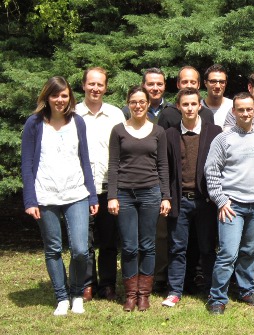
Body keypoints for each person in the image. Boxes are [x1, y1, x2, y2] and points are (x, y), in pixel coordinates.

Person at [21, 76, 99, 315]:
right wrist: (30, 199)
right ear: (47, 97)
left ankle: (77, 293)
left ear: (70, 98)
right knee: (53, 249)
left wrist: (92, 196)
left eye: (64, 95)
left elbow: (85, 160)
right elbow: (27, 164)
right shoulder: (34, 124)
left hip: (76, 193)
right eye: (55, 95)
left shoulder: (78, 122)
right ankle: (62, 297)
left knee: (80, 249)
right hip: (45, 195)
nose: (60, 100)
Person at [204, 92, 254, 315]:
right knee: (228, 254)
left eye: (248, 109)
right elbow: (211, 171)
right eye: (240, 109)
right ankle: (217, 298)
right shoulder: (223, 139)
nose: (245, 113)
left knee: (249, 251)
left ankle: (246, 290)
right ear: (234, 112)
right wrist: (221, 200)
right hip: (232, 205)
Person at [107, 85, 171, 312]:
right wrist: (112, 195)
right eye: (133, 102)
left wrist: (166, 196)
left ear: (147, 104)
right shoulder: (118, 130)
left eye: (142, 101)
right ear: (128, 103)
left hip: (150, 193)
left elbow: (163, 165)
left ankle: (144, 294)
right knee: (129, 246)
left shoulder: (158, 131)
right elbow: (113, 165)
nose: (138, 105)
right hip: (124, 193)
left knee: (148, 245)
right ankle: (130, 294)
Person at [162, 88, 222, 307]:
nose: (189, 108)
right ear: (178, 107)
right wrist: (166, 196)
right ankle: (175, 290)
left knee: (207, 248)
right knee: (177, 248)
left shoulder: (214, 132)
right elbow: (165, 169)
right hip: (180, 199)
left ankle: (209, 289)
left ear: (200, 106)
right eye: (185, 104)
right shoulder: (169, 135)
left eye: (193, 104)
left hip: (206, 201)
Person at [76, 67, 126, 302]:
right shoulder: (72, 113)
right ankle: (87, 284)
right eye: (91, 84)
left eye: (100, 84)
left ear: (105, 87)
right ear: (84, 85)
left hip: (108, 187)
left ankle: (107, 284)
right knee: (83, 240)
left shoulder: (116, 114)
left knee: (107, 241)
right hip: (79, 188)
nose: (96, 88)